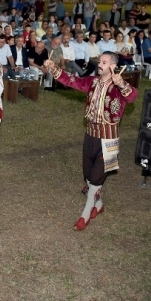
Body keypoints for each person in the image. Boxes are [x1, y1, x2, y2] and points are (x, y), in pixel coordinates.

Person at [42, 52, 138, 230]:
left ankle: (85, 215)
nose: (99, 64)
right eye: (99, 61)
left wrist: (122, 83)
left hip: (109, 138)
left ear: (113, 66)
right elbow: (72, 80)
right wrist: (53, 67)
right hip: (90, 135)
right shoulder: (92, 81)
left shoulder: (118, 86)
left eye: (104, 62)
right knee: (88, 177)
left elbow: (132, 96)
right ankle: (98, 205)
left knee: (95, 179)